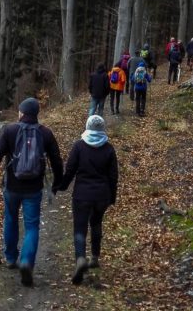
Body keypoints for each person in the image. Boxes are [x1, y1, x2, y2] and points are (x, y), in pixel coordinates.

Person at [0, 98, 64, 287]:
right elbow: (56, 160)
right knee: (32, 226)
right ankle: (26, 262)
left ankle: (10, 258)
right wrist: (57, 182)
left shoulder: (10, 130)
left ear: (22, 113)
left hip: (12, 187)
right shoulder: (45, 133)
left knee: (11, 219)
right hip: (34, 188)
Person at [57, 115, 118, 285]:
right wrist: (112, 196)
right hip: (102, 195)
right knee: (96, 224)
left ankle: (80, 259)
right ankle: (95, 257)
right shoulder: (109, 149)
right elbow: (113, 176)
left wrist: (61, 186)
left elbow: (70, 170)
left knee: (80, 228)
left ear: (87, 126)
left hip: (82, 195)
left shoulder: (79, 146)